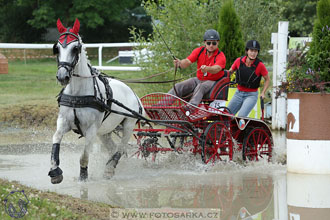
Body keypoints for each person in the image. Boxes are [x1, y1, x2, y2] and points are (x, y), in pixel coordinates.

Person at [168, 29, 226, 113]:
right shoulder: (199, 51)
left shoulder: (221, 56)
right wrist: (179, 63)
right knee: (178, 86)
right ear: (204, 43)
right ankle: (159, 107)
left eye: (214, 43)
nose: (211, 45)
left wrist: (207, 69)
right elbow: (187, 62)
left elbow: (217, 69)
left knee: (201, 86)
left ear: (218, 43)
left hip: (213, 81)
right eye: (208, 43)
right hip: (198, 79)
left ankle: (190, 108)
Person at [227, 40, 270, 117]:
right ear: (247, 51)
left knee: (241, 117)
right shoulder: (238, 61)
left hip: (251, 95)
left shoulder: (260, 65)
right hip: (238, 93)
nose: (253, 53)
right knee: (226, 114)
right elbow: (229, 72)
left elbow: (267, 79)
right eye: (251, 50)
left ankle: (241, 128)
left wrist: (263, 92)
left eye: (255, 51)